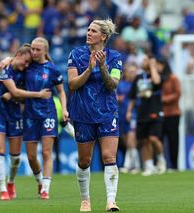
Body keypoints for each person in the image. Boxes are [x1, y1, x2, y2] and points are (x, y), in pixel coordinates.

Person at [0, 37, 68, 200]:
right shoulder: (26, 67)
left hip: (48, 113)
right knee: (31, 156)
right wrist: (9, 58)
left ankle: (46, 188)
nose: (34, 52)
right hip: (30, 114)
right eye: (33, 49)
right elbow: (16, 78)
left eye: (38, 50)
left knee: (46, 153)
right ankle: (39, 182)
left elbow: (62, 92)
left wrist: (65, 110)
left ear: (45, 51)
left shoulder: (52, 69)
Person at [67, 19, 121, 212]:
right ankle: (85, 201)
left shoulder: (115, 57)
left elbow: (113, 84)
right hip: (83, 113)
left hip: (107, 112)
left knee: (108, 156)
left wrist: (103, 66)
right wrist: (90, 69)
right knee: (84, 161)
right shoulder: (76, 54)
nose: (88, 33)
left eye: (93, 30)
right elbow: (72, 84)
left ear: (103, 36)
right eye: (88, 29)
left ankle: (111, 201)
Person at [0, 44, 52, 201]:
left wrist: (12, 96)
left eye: (27, 64)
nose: (25, 66)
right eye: (24, 62)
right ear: (17, 55)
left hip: (15, 115)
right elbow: (16, 91)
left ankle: (11, 182)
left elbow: (20, 96)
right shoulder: (3, 67)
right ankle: (3, 190)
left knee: (15, 157)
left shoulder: (25, 73)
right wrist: (37, 94)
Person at [126, 55, 167, 176]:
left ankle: (160, 158)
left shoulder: (158, 75)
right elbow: (133, 97)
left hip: (155, 110)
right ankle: (149, 166)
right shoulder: (138, 77)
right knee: (144, 140)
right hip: (142, 111)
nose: (142, 62)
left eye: (145, 60)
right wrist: (129, 111)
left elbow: (156, 82)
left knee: (153, 138)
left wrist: (153, 66)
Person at [157, 59, 181, 170]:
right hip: (160, 114)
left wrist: (163, 99)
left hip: (172, 114)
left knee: (173, 140)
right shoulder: (158, 79)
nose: (157, 67)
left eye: (159, 65)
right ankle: (162, 164)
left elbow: (177, 93)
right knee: (159, 139)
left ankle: (174, 166)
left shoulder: (173, 78)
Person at [117, 63, 140, 174]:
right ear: (125, 73)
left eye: (134, 72)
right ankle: (131, 165)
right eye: (130, 72)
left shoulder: (138, 85)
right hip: (121, 115)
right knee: (126, 141)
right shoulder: (121, 85)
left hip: (133, 115)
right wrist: (118, 98)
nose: (133, 74)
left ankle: (134, 165)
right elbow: (113, 96)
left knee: (131, 140)